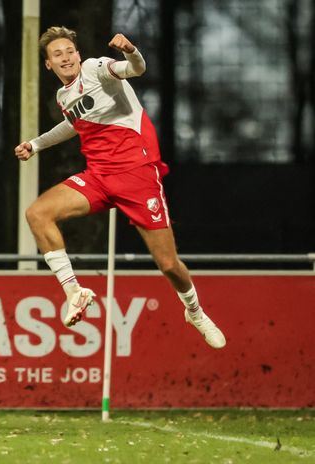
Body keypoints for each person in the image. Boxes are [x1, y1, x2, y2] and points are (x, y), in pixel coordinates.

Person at [14, 27, 226, 349]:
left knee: (168, 264)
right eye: (57, 54)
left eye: (69, 51)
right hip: (98, 177)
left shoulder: (96, 68)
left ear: (78, 54)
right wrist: (36, 144)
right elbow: (74, 124)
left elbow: (136, 69)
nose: (66, 58)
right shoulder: (64, 96)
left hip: (137, 175)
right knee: (37, 214)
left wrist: (130, 50)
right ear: (48, 65)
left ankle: (194, 310)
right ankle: (75, 292)